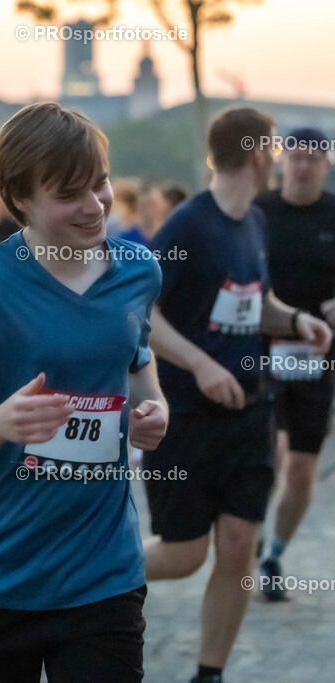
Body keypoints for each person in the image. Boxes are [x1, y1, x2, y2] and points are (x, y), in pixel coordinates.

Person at [0, 102, 167, 682]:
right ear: (19, 199)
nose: (93, 206)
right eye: (67, 194)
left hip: (102, 575)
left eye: (100, 184)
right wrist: (1, 422)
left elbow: (137, 360)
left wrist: (151, 408)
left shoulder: (138, 270)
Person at [142, 109, 332, 683]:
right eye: (273, 148)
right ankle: (77, 570)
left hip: (252, 411)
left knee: (240, 544)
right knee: (183, 555)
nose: (277, 158)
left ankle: (210, 673)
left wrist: (296, 320)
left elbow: (256, 297)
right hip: (189, 419)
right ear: (256, 154)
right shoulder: (187, 225)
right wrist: (199, 364)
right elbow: (140, 311)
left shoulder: (253, 220)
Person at [254, 127, 335, 601]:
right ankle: (248, 532)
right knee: (268, 454)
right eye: (297, 156)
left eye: (314, 157)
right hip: (260, 350)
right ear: (283, 160)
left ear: (326, 165)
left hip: (316, 357)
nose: (304, 165)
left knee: (303, 467)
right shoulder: (259, 213)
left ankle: (273, 554)